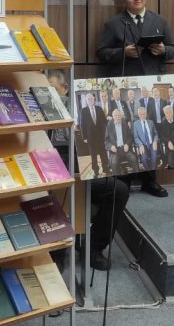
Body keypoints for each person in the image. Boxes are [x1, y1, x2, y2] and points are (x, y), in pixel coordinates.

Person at [47, 71, 129, 271]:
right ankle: (56, 251)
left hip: (81, 169)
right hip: (50, 171)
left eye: (54, 89)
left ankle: (92, 247)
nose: (50, 95)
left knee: (119, 190)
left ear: (65, 89)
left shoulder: (79, 111)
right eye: (46, 91)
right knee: (51, 192)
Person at [96, 0, 174, 77]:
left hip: (154, 78)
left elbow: (173, 49)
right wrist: (123, 52)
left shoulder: (160, 21)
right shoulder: (113, 23)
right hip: (128, 79)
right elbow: (101, 53)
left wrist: (164, 50)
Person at [79, 92, 109, 177]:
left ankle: (105, 168)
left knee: (103, 153)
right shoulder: (83, 111)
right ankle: (95, 170)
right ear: (86, 101)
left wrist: (105, 134)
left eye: (92, 98)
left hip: (101, 136)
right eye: (89, 99)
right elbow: (82, 125)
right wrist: (84, 137)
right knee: (93, 155)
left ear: (94, 99)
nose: (91, 100)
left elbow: (104, 122)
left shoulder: (99, 108)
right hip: (90, 137)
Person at [104, 109, 139, 177]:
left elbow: (130, 137)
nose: (117, 117)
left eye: (119, 115)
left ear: (121, 116)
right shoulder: (109, 125)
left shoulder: (124, 123)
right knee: (114, 162)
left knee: (133, 158)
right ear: (113, 117)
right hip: (115, 150)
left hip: (125, 149)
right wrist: (111, 146)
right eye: (116, 116)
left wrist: (127, 144)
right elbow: (106, 140)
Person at [132, 106, 159, 175]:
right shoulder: (135, 124)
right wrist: (140, 145)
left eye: (144, 114)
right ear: (138, 115)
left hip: (152, 144)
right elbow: (135, 137)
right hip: (143, 145)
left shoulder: (151, 122)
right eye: (141, 114)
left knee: (154, 157)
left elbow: (156, 134)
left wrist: (155, 141)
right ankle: (147, 171)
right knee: (144, 159)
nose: (143, 116)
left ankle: (153, 171)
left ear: (146, 114)